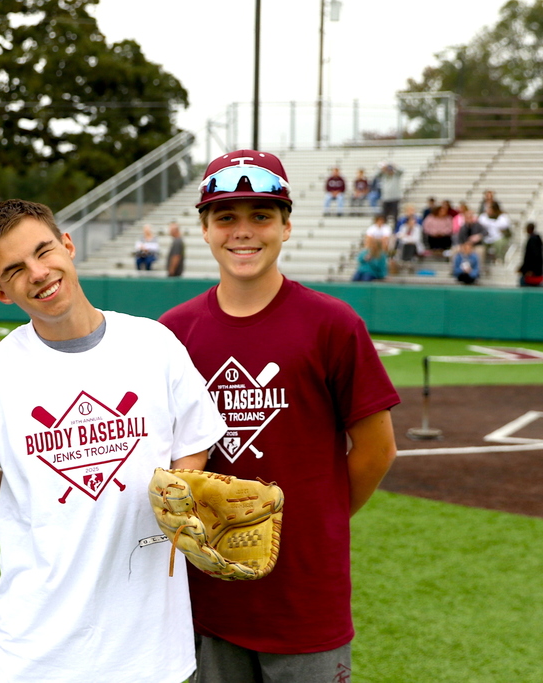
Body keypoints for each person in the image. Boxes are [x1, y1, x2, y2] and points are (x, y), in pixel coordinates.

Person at [0, 198, 227, 683]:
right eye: (14, 270)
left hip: (149, 646)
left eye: (43, 251)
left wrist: (181, 493)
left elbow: (194, 442)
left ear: (68, 245)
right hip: (37, 650)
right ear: (0, 293)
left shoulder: (154, 344)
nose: (37, 272)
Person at [158, 149, 399, 682]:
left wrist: (318, 521)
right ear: (204, 228)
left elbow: (378, 450)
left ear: (287, 226)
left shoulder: (332, 324)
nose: (243, 232)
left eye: (262, 216)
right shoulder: (174, 331)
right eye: (226, 217)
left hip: (306, 597)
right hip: (207, 598)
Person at [518, 222, 543, 287]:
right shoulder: (536, 239)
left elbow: (533, 256)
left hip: (532, 271)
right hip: (535, 270)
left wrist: (530, 270)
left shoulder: (533, 240)